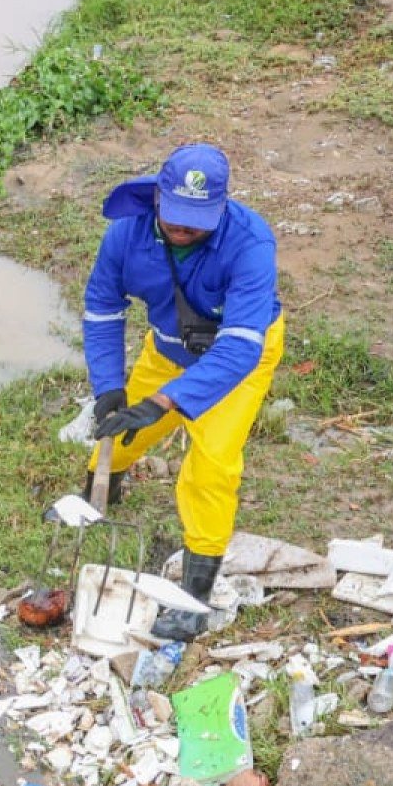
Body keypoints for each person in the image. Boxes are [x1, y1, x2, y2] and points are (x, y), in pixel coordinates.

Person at [82, 142, 284, 641]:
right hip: (168, 348)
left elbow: (239, 348)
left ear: (220, 207)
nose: (183, 228)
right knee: (122, 425)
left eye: (197, 219)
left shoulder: (251, 243)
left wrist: (165, 402)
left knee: (210, 467)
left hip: (236, 364)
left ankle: (195, 596)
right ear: (156, 199)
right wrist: (109, 385)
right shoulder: (124, 237)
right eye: (174, 215)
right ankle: (97, 493)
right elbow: (103, 309)